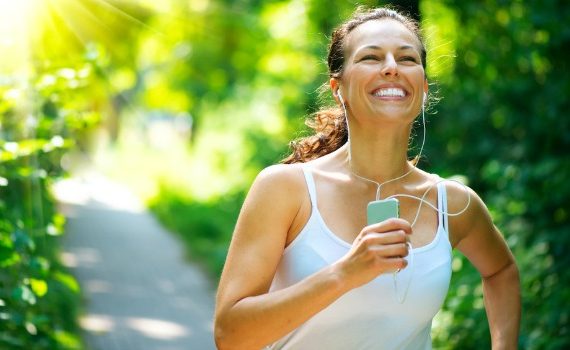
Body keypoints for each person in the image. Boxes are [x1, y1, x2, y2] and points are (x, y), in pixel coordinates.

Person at [214, 6, 520, 350]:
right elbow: (230, 335)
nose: (391, 67)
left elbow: (502, 271)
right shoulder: (287, 189)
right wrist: (345, 273)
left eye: (406, 59)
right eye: (371, 57)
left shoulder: (452, 203)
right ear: (337, 87)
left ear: (422, 86)